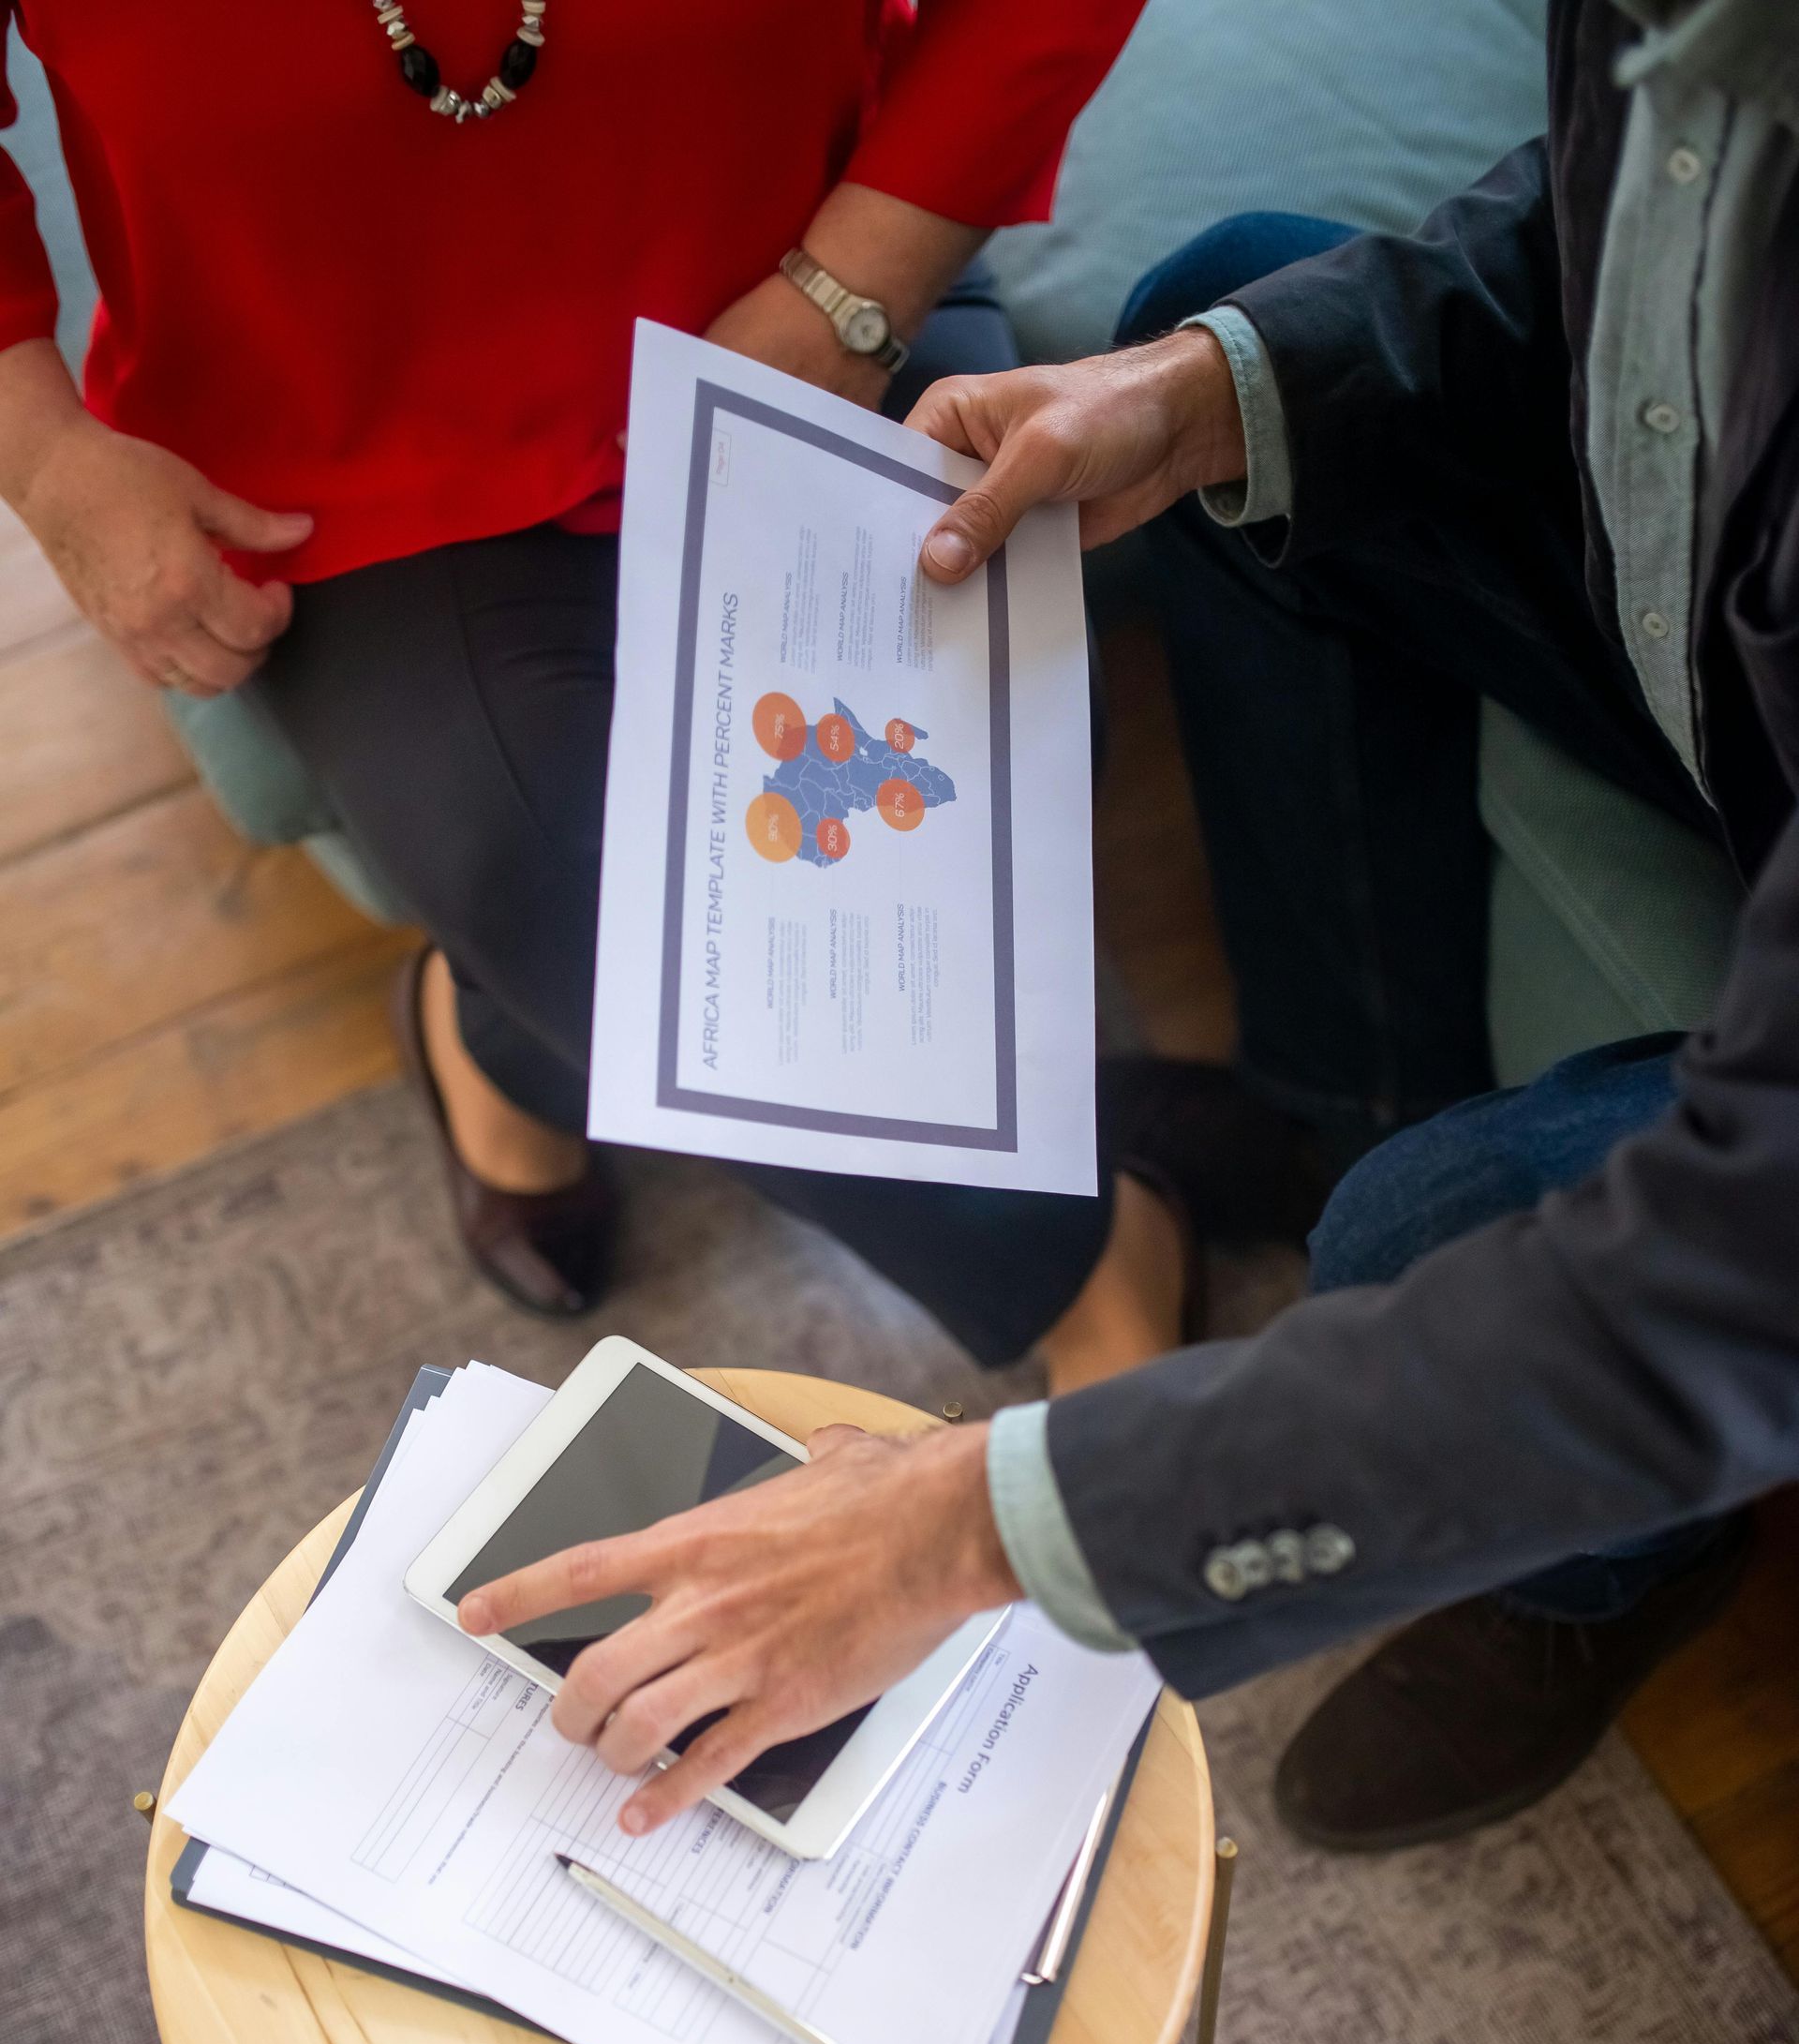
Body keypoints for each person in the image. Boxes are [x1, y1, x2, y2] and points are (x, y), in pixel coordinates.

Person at [457, 0, 1799, 1852]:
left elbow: (1732, 1267)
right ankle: (1338, 1081)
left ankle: (1609, 1571)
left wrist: (960, 1526)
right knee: (1250, 326)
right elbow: (1622, 212)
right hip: (1741, 618)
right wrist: (1198, 395)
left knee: (1420, 1233)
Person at [0, 0, 1220, 1393]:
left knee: (976, 774)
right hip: (339, 408)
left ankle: (506, 1046)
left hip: (812, 269)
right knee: (543, 857)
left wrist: (853, 289)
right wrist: (39, 451)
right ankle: (1088, 1269)